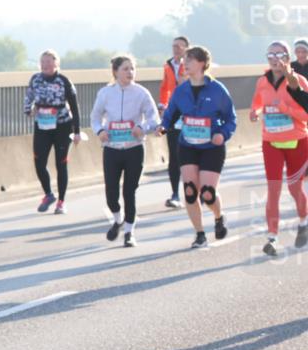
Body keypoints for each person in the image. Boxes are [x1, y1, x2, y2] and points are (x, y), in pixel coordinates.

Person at [158, 45, 237, 249]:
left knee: (208, 193)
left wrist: (223, 134)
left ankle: (219, 216)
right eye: (184, 60)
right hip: (187, 145)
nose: (185, 64)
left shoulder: (217, 89)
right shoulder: (181, 90)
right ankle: (200, 234)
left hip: (212, 146)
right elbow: (171, 113)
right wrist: (163, 126)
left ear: (202, 63)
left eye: (190, 60)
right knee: (191, 191)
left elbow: (231, 119)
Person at [91, 55, 160, 247]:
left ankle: (129, 232)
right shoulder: (105, 93)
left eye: (132, 69)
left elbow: (154, 118)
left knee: (130, 190)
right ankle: (117, 218)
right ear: (115, 72)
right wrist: (100, 130)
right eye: (125, 69)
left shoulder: (141, 93)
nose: (130, 72)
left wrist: (143, 127)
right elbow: (95, 116)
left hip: (134, 148)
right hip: (112, 149)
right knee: (111, 192)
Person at [249, 40, 308, 255]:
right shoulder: (262, 82)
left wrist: (285, 108)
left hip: (297, 141)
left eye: (279, 54)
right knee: (273, 189)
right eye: (270, 55)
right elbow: (257, 101)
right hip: (271, 141)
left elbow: (306, 114)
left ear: (288, 58)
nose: (275, 59)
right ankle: (272, 237)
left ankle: (304, 220)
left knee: (294, 189)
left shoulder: (298, 81)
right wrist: (255, 111)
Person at [23, 50, 81, 214]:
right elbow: (29, 97)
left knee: (61, 163)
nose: (46, 65)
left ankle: (61, 201)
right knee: (39, 162)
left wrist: (76, 131)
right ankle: (49, 194)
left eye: (49, 62)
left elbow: (75, 108)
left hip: (62, 125)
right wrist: (28, 110)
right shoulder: (35, 79)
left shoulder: (63, 81)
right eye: (43, 62)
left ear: (57, 64)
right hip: (42, 125)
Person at [158, 36, 190, 209]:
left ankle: (192, 191)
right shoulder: (168, 65)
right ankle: (175, 193)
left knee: (189, 155)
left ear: (186, 48)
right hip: (173, 114)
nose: (176, 49)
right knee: (174, 155)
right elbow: (165, 87)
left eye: (179, 46)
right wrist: (163, 105)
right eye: (174, 46)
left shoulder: (193, 64)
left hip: (191, 115)